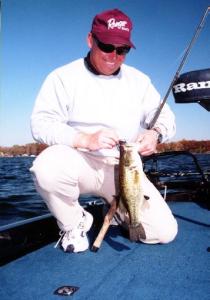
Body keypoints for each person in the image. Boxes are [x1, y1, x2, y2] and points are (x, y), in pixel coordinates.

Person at [30, 8, 178, 253]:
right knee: (45, 169)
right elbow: (41, 123)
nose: (114, 55)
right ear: (91, 40)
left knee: (164, 234)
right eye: (107, 46)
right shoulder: (63, 77)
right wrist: (83, 139)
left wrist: (156, 133)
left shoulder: (139, 81)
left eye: (122, 50)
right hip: (80, 160)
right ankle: (74, 221)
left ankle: (122, 211)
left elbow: (165, 117)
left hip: (124, 169)